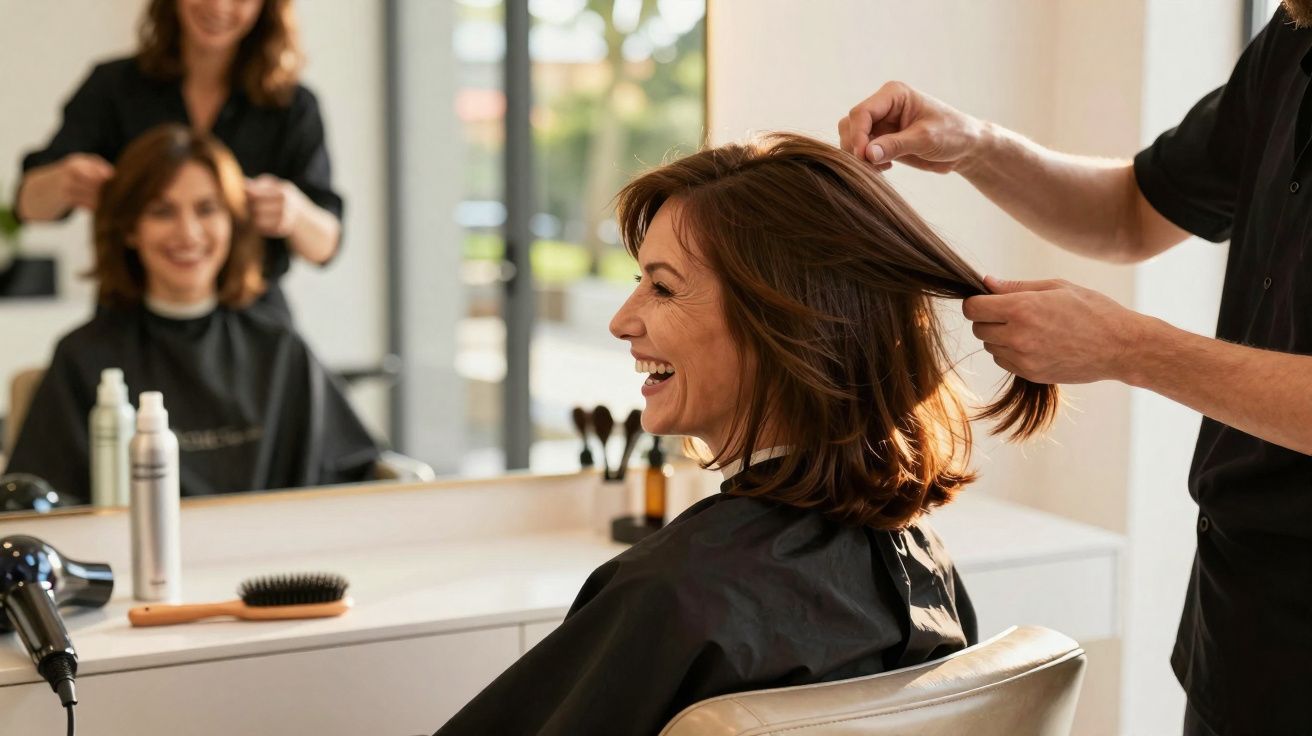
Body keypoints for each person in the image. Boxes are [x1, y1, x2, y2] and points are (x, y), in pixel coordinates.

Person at [434, 133, 1059, 736]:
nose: (622, 321)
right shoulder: (918, 561)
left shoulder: (672, 595)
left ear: (782, 327)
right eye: (636, 282)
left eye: (662, 287)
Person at [839, 4, 1312, 733]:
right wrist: (975, 146)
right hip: (1241, 633)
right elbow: (1131, 212)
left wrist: (1128, 347)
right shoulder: (1291, 37)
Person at [5, 124, 378, 502]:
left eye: (207, 209)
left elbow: (361, 474)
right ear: (130, 229)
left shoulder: (280, 349)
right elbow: (39, 503)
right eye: (162, 211)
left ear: (233, 223)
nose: (187, 233)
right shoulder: (83, 357)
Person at [14, 0, 340, 324]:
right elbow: (27, 205)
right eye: (162, 210)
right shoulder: (113, 88)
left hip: (252, 326)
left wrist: (295, 213)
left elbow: (327, 244)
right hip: (131, 320)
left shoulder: (291, 107)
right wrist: (64, 182)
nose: (219, 6)